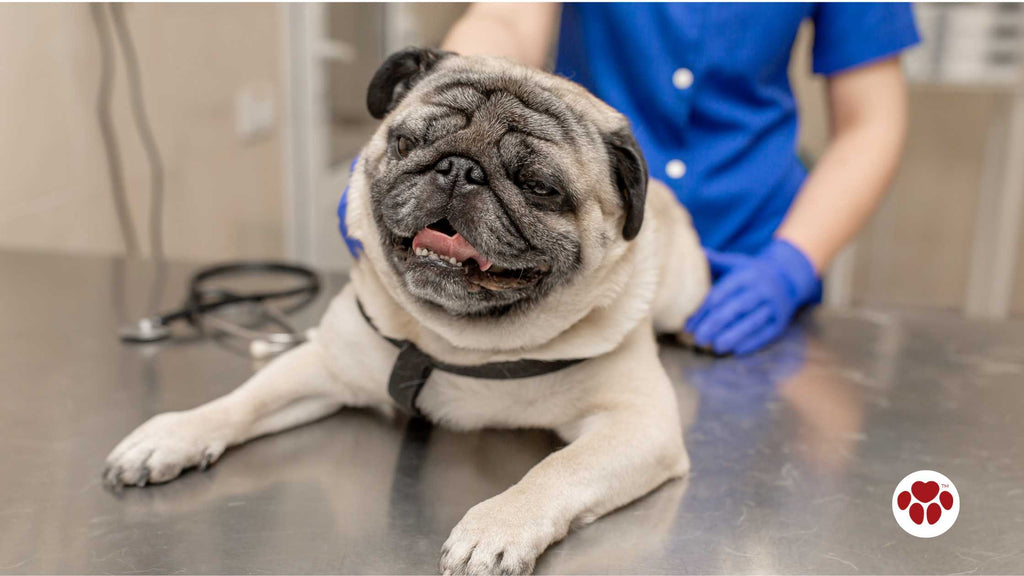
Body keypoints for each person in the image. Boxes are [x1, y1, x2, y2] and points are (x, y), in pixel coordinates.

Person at [342, 3, 918, 355]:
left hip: (750, 253)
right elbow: (508, 16)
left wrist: (790, 266)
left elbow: (872, 123)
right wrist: (429, 128)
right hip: (584, 262)